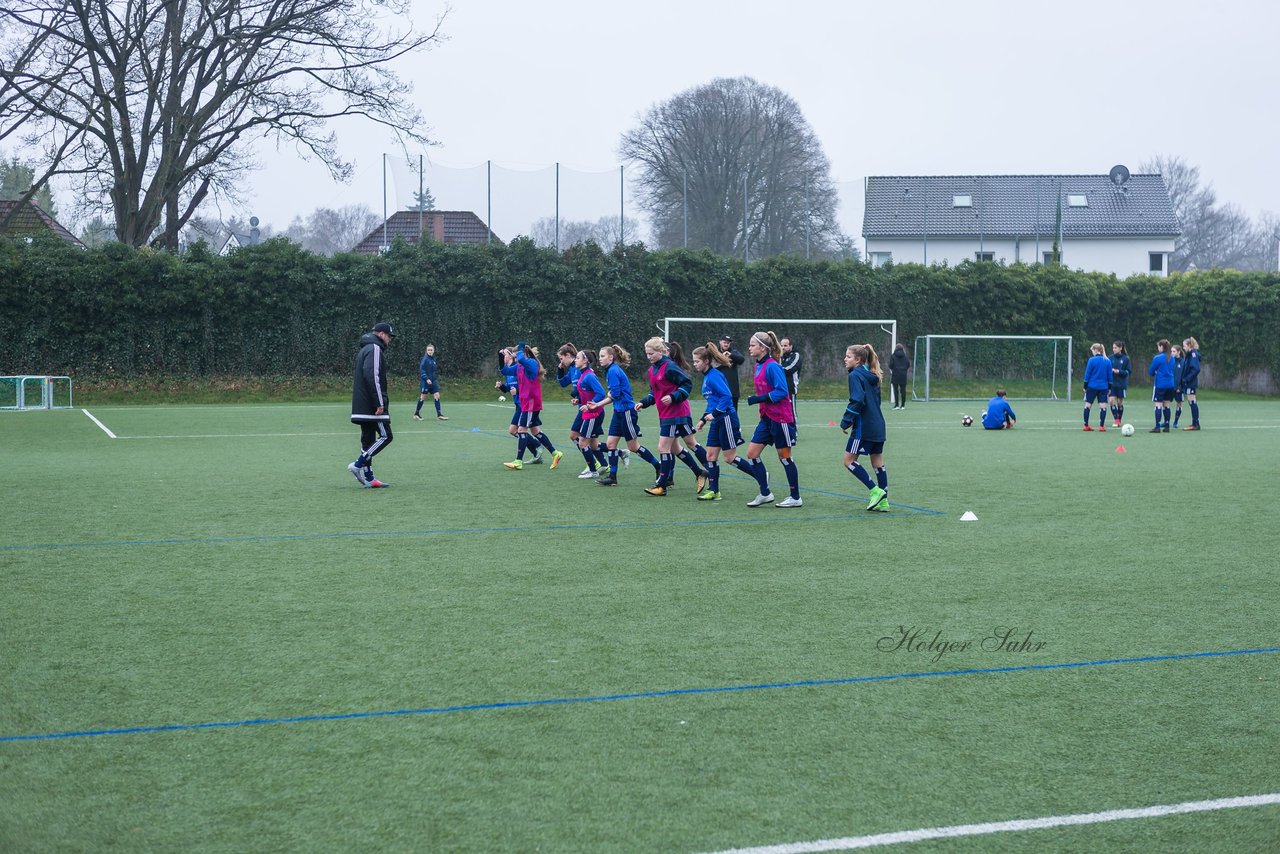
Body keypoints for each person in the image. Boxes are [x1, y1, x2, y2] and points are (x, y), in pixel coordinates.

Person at [634, 338, 710, 496]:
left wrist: (673, 397)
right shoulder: (652, 370)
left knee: (664, 447)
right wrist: (644, 402)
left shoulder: (669, 367)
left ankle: (662, 485)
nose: (648, 356)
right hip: (665, 413)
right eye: (647, 353)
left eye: (651, 353)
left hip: (675, 413)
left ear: (660, 352)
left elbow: (687, 384)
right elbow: (654, 392)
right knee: (679, 446)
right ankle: (700, 472)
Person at [741, 330, 802, 508]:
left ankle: (795, 497)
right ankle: (765, 493)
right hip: (766, 418)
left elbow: (782, 391)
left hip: (781, 418)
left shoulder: (773, 366)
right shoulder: (758, 365)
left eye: (752, 345)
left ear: (763, 347)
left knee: (784, 457)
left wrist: (759, 399)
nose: (749, 348)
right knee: (752, 454)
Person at [586, 344, 659, 486]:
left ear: (611, 357)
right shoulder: (610, 371)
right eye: (600, 356)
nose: (600, 359)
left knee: (633, 446)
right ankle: (612, 477)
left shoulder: (613, 371)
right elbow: (614, 393)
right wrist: (609, 394)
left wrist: (597, 404)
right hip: (618, 412)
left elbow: (616, 394)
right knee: (611, 444)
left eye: (602, 356)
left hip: (626, 412)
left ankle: (658, 466)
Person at [691, 342, 749, 502]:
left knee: (729, 458)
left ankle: (759, 475)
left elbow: (726, 396)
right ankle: (714, 491)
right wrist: (703, 419)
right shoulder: (707, 377)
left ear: (706, 361)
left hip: (726, 419)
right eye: (694, 361)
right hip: (717, 421)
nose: (695, 364)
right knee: (710, 455)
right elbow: (712, 402)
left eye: (697, 361)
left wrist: (715, 414)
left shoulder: (714, 376)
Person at [840, 343, 889, 511]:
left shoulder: (855, 375)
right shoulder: (872, 374)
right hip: (879, 425)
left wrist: (846, 421)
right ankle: (884, 501)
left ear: (858, 359)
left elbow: (858, 400)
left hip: (863, 428)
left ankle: (875, 491)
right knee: (877, 462)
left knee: (848, 461)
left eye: (848, 356)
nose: (844, 359)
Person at [348, 321, 395, 488]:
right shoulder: (374, 348)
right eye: (389, 336)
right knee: (386, 436)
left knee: (367, 440)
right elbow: (372, 376)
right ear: (381, 334)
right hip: (372, 406)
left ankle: (369, 478)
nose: (389, 340)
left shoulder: (364, 348)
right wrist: (379, 403)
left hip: (362, 405)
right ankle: (357, 464)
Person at [504, 341, 565, 470]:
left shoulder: (532, 363)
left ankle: (518, 461)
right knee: (535, 430)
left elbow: (520, 357)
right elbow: (505, 370)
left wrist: (520, 347)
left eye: (516, 355)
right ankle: (555, 453)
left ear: (523, 353)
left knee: (521, 430)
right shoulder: (520, 365)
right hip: (526, 402)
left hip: (531, 402)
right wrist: (500, 357)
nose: (515, 358)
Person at [497, 348, 542, 464]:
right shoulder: (510, 370)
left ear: (511, 356)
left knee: (516, 430)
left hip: (524, 404)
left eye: (505, 354)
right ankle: (537, 452)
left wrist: (516, 390)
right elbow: (508, 388)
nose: (503, 356)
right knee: (521, 430)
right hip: (519, 404)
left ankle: (536, 447)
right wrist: (502, 387)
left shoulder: (519, 367)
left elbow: (524, 384)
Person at [572, 348, 609, 477]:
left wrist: (589, 405)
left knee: (582, 443)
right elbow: (587, 393)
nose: (575, 360)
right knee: (593, 444)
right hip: (588, 413)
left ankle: (593, 471)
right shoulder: (583, 374)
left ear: (585, 360)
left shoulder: (589, 375)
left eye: (577, 358)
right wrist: (578, 400)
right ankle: (618, 453)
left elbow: (601, 393)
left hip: (594, 414)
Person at [556, 343, 586, 472]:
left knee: (575, 436)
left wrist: (577, 395)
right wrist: (560, 369)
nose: (561, 361)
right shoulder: (572, 369)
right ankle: (617, 453)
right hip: (582, 406)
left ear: (568, 355)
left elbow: (585, 387)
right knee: (588, 441)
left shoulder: (579, 368)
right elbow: (563, 383)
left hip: (588, 407)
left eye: (561, 359)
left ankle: (594, 463)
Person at [413, 343, 447, 421]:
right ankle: (416, 413)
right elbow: (422, 370)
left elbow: (434, 371)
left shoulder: (433, 359)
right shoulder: (425, 360)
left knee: (437, 396)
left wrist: (434, 378)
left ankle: (439, 415)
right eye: (428, 350)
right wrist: (427, 379)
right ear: (426, 351)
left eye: (431, 350)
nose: (430, 351)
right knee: (423, 397)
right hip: (425, 382)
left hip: (433, 382)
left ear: (434, 351)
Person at [1082, 342, 1112, 431]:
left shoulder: (1091, 360)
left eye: (1092, 350)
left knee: (1087, 405)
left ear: (1096, 350)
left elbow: (1087, 375)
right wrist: (1109, 388)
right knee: (1103, 406)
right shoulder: (1107, 361)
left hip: (1091, 386)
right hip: (1103, 387)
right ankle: (1102, 426)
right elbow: (1110, 377)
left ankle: (1086, 425)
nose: (1092, 352)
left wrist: (1085, 386)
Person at [1148, 339, 1177, 433]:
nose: (1158, 348)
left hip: (1160, 384)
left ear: (1161, 347)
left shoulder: (1157, 358)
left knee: (1158, 405)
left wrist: (1156, 371)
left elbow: (1151, 371)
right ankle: (1167, 425)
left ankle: (1157, 427)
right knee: (1167, 405)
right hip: (1170, 384)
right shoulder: (1172, 357)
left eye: (1158, 346)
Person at [717, 334, 746, 412]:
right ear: (720, 342)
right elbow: (712, 366)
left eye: (728, 343)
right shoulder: (715, 354)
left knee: (733, 414)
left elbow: (741, 360)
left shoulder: (733, 352)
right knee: (718, 415)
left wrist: (731, 355)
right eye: (724, 342)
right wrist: (723, 359)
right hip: (719, 389)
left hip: (732, 390)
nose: (726, 344)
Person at [1108, 341, 1131, 428]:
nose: (1114, 349)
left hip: (1121, 384)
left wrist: (1119, 371)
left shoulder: (1126, 359)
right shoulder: (1110, 358)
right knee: (1111, 401)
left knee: (1119, 403)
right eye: (1113, 348)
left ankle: (1119, 419)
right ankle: (1116, 420)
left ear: (1120, 348)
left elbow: (1128, 372)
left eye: (1115, 348)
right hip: (1112, 384)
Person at [1181, 336, 1202, 430]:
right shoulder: (1190, 354)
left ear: (1189, 345)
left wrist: (1187, 379)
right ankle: (1195, 423)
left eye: (1184, 346)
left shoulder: (1193, 354)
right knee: (1191, 402)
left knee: (1192, 402)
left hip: (1191, 382)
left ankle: (1196, 424)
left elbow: (1196, 369)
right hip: (1189, 382)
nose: (1183, 348)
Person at [780, 337, 803, 410]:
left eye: (785, 346)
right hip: (779, 389)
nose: (783, 348)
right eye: (781, 345)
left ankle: (794, 422)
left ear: (791, 346)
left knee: (791, 413)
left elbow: (789, 369)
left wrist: (776, 370)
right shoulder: (780, 357)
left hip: (790, 389)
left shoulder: (796, 355)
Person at [888, 342, 911, 409]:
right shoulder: (905, 356)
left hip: (895, 374)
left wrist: (893, 369)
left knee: (895, 390)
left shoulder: (893, 356)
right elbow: (908, 364)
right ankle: (903, 405)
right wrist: (904, 369)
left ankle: (897, 405)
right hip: (903, 375)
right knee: (903, 390)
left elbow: (891, 365)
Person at [1170, 344, 1186, 428]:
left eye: (1174, 351)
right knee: (1165, 403)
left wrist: (1180, 387)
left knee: (1179, 404)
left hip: (1178, 388)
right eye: (1171, 351)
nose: (1172, 353)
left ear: (1178, 352)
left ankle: (1176, 422)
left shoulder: (1183, 362)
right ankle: (1166, 421)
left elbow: (1184, 376)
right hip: (1169, 387)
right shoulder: (1169, 361)